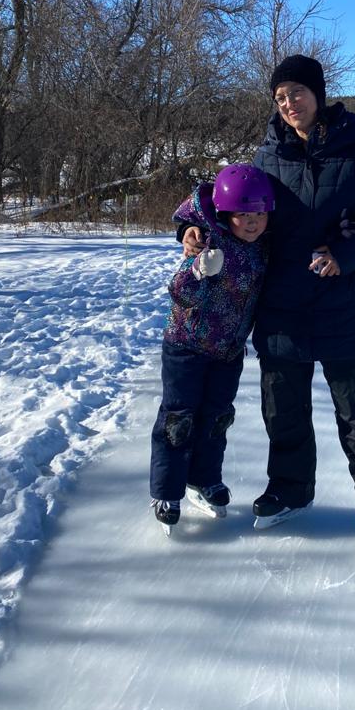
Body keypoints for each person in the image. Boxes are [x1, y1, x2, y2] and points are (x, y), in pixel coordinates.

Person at [182, 54, 355, 550]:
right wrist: (192, 229)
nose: (289, 103)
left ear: (318, 94)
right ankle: (289, 490)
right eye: (280, 97)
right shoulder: (268, 156)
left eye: (297, 93)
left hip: (348, 303)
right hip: (283, 303)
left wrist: (345, 253)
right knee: (282, 410)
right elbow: (231, 206)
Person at [150, 164, 274, 534]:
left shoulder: (264, 247)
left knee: (217, 418)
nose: (252, 223)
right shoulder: (208, 241)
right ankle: (167, 491)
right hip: (187, 345)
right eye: (242, 216)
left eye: (259, 215)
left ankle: (204, 479)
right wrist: (198, 271)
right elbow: (179, 293)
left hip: (228, 351)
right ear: (224, 214)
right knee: (179, 419)